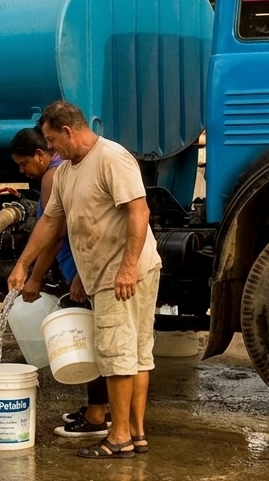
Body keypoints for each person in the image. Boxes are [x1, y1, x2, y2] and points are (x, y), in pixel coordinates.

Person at [9, 101, 161, 460]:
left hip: (122, 273)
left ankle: (119, 436)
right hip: (109, 272)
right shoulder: (65, 173)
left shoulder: (111, 157)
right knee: (136, 355)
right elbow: (49, 223)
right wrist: (23, 265)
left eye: (51, 140)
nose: (50, 149)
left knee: (117, 356)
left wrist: (125, 268)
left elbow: (139, 211)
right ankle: (136, 434)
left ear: (68, 131)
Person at [7, 127, 111, 439]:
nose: (23, 171)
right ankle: (101, 408)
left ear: (41, 155)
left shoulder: (53, 177)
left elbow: (56, 232)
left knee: (89, 341)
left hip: (81, 268)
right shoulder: (62, 172)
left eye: (24, 164)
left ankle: (96, 416)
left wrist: (34, 276)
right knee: (95, 337)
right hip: (82, 266)